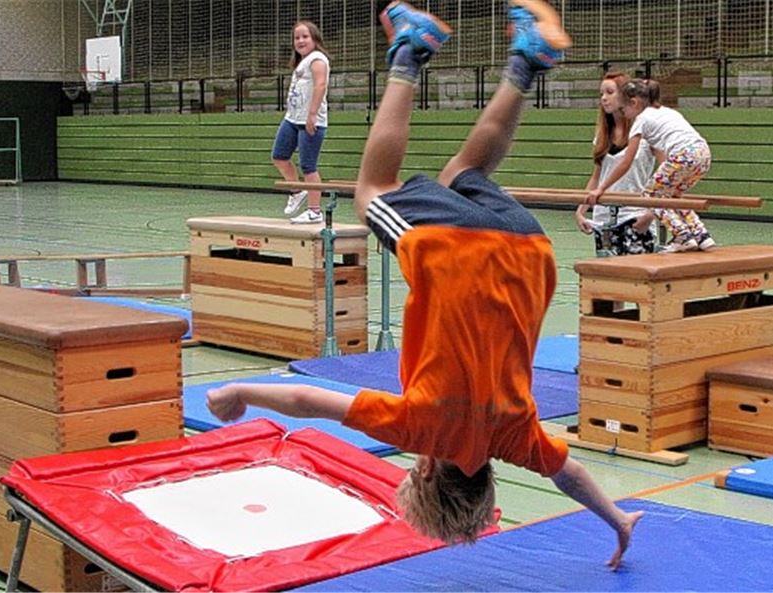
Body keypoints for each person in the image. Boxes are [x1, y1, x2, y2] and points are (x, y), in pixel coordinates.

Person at [209, 0, 643, 569]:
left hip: (528, 252)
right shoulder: (421, 428)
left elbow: (570, 475)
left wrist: (617, 520)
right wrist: (241, 393)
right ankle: (409, 51)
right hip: (455, 255)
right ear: (428, 471)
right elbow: (307, 400)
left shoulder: (516, 440)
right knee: (372, 191)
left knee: (462, 173)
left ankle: (525, 61)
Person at [586, 78, 715, 253]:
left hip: (682, 155)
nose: (624, 114)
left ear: (634, 103)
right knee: (674, 195)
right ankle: (701, 235)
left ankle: (683, 235)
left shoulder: (640, 120)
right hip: (703, 154)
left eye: (623, 109)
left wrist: (601, 189)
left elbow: (626, 163)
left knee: (651, 196)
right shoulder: (667, 112)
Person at [574, 71, 657, 257]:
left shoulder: (646, 132)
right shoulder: (602, 136)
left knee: (635, 271)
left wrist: (652, 213)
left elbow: (667, 175)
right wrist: (580, 211)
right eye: (601, 94)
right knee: (608, 272)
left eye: (610, 92)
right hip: (604, 217)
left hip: (635, 214)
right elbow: (597, 177)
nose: (604, 98)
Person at [273, 20, 330, 224]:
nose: (300, 41)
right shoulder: (302, 62)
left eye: (305, 36)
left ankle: (314, 211)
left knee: (308, 166)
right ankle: (297, 191)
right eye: (297, 38)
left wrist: (312, 115)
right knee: (279, 156)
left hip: (310, 121)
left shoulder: (317, 59)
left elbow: (321, 85)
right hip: (292, 118)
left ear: (314, 39)